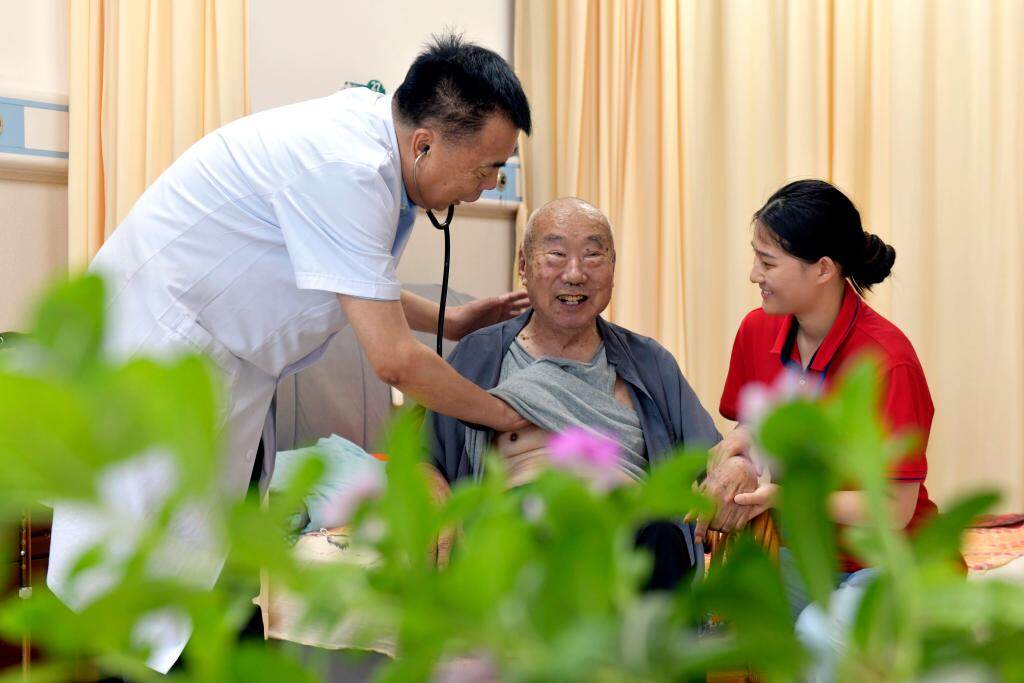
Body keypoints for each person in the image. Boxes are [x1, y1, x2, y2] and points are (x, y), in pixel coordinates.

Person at [47, 34, 534, 673]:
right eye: (486, 167)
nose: (489, 185)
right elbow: (394, 360)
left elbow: (353, 280)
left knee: (216, 574)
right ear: (425, 144)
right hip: (158, 365)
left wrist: (454, 321)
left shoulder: (375, 151)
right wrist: (507, 414)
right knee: (150, 595)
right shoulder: (348, 169)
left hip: (217, 371)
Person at [426, 197, 736, 588]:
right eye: (556, 254)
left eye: (592, 255)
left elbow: (711, 456)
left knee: (661, 537)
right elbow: (426, 458)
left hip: (633, 544)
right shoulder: (480, 356)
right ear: (523, 265)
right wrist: (433, 492)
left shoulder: (649, 362)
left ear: (613, 269)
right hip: (522, 542)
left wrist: (736, 466)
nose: (575, 274)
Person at [709, 179, 940, 680]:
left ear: (823, 269)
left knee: (818, 636)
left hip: (886, 562)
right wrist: (737, 447)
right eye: (756, 257)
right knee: (719, 627)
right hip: (803, 553)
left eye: (768, 262)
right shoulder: (756, 330)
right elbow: (753, 420)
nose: (754, 275)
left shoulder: (888, 361)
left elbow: (894, 509)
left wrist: (784, 497)